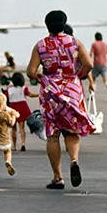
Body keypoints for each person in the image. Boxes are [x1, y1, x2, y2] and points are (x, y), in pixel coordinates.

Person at [27, 10, 94, 189]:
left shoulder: (40, 45)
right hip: (73, 90)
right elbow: (89, 64)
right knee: (72, 131)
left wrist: (42, 78)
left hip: (51, 93)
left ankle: (58, 177)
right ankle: (74, 160)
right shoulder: (75, 42)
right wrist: (75, 77)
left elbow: (31, 72)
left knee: (53, 135)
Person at [6, 72, 37, 152]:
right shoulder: (24, 88)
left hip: (12, 108)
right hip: (22, 107)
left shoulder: (9, 90)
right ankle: (23, 144)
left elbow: (5, 98)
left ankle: (14, 146)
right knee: (22, 128)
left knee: (13, 128)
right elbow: (30, 94)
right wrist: (38, 94)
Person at [89, 32, 107, 101]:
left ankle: (92, 95)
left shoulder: (94, 44)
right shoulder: (105, 45)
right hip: (104, 64)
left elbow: (91, 54)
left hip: (96, 64)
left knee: (93, 80)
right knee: (106, 80)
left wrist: (90, 62)